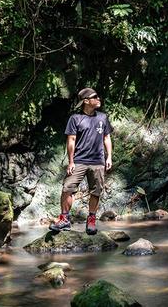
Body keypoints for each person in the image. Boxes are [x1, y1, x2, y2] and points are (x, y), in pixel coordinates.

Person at [49, 88, 113, 235]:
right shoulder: (75, 119)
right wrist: (71, 162)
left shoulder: (103, 118)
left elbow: (106, 138)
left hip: (97, 161)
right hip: (79, 160)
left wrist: (109, 156)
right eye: (95, 97)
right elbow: (71, 140)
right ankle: (64, 219)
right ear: (86, 101)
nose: (98, 99)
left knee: (96, 191)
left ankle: (91, 220)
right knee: (67, 188)